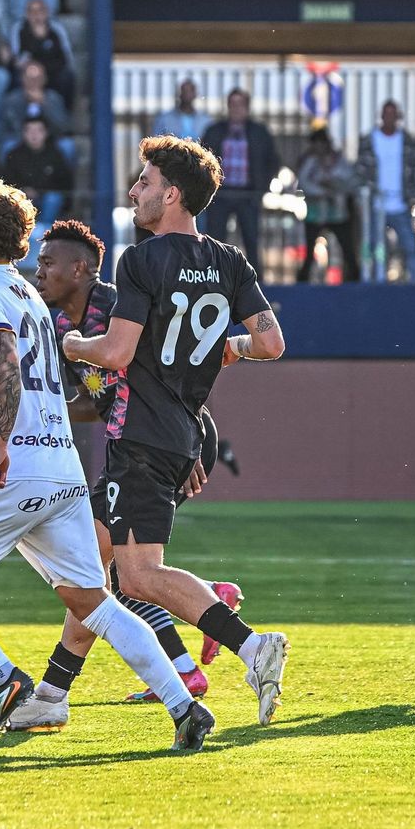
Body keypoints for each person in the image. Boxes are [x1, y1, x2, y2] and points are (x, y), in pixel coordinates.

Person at [0, 176, 216, 750]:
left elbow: (1, 356)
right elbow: (33, 389)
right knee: (95, 605)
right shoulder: (32, 299)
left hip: (15, 472)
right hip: (62, 471)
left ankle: (4, 679)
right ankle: (184, 706)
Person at [60, 135, 289, 727]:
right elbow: (270, 343)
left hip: (141, 434)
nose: (134, 190)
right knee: (97, 560)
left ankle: (249, 645)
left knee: (136, 575)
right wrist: (225, 348)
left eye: (145, 180)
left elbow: (116, 353)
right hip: (183, 432)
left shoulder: (141, 260)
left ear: (172, 194)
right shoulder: (231, 261)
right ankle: (51, 692)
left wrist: (75, 345)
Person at [1, 220, 245, 731]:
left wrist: (192, 447)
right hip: (144, 443)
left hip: (174, 438)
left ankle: (63, 692)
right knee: (101, 571)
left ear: (80, 269)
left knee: (98, 570)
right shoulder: (55, 325)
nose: (37, 272)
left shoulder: (119, 305)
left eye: (47, 263)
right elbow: (83, 399)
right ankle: (196, 624)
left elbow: (179, 372)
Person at [201, 89, 280, 271]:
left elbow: (272, 161)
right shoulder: (215, 130)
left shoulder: (259, 132)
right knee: (215, 241)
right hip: (220, 194)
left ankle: (254, 281)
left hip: (249, 194)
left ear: (247, 107)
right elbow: (202, 158)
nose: (237, 109)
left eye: (241, 104)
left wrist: (262, 187)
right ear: (228, 106)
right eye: (233, 104)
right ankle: (214, 277)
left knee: (251, 241)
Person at [356, 98, 415, 284]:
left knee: (410, 248)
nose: (390, 118)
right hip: (376, 204)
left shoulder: (408, 141)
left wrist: (412, 197)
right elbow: (361, 171)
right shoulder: (369, 140)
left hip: (400, 204)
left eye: (394, 115)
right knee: (375, 248)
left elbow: (414, 171)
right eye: (387, 114)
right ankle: (374, 283)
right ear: (381, 116)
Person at [296, 126, 358, 283]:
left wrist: (333, 185)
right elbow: (303, 182)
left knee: (348, 251)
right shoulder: (309, 161)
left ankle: (353, 280)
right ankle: (302, 282)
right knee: (309, 253)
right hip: (315, 214)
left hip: (338, 213)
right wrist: (322, 191)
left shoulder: (339, 161)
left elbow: (350, 182)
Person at [1, 115, 69, 227]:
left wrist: (40, 191)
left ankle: (45, 230)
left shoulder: (55, 155)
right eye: (30, 130)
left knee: (53, 198)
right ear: (23, 133)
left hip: (46, 198)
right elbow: (7, 181)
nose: (34, 134)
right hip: (22, 197)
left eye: (38, 130)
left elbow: (63, 182)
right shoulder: (14, 155)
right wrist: (23, 190)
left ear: (46, 133)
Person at [11, 0, 75, 102]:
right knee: (18, 77)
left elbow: (65, 56)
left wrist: (44, 68)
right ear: (26, 14)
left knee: (67, 77)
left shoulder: (56, 29)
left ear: (47, 13)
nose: (36, 15)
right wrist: (37, 40)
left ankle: (63, 109)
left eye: (40, 10)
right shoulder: (19, 29)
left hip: (52, 71)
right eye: (32, 11)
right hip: (29, 71)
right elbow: (18, 60)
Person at [0, 58, 68, 142]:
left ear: (44, 80)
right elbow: (6, 128)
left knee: (67, 144)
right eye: (30, 78)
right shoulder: (11, 99)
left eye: (38, 78)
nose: (34, 82)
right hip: (20, 140)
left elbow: (62, 128)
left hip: (49, 140)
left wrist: (45, 105)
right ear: (22, 79)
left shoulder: (54, 98)